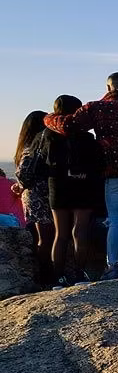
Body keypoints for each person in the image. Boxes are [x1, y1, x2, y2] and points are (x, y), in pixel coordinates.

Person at [44, 72, 118, 280]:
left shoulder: (97, 108)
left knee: (116, 221)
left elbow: (69, 126)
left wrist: (48, 119)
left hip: (114, 173)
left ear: (108, 88)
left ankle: (112, 267)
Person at [34, 95, 105, 288]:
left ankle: (58, 277)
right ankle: (80, 275)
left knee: (60, 233)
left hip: (57, 185)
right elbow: (98, 163)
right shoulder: (86, 137)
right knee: (80, 230)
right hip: (82, 184)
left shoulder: (45, 135)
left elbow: (38, 163)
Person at [13, 110, 53, 283]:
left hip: (34, 197)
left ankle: (47, 274)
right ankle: (47, 276)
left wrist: (20, 186)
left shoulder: (27, 147)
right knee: (46, 238)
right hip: (40, 196)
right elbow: (24, 174)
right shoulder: (35, 147)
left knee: (44, 237)